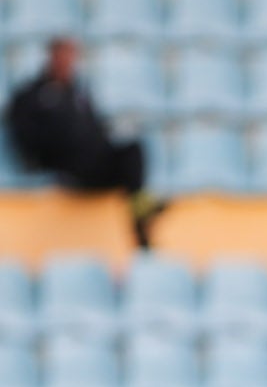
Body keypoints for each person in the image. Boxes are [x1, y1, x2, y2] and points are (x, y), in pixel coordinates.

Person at [4, 38, 167, 247]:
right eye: (63, 57)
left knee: (133, 150)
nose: (67, 63)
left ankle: (140, 213)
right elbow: (25, 134)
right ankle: (140, 212)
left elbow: (95, 128)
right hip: (65, 166)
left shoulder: (78, 94)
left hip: (93, 164)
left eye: (71, 58)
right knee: (88, 150)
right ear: (51, 58)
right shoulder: (33, 95)